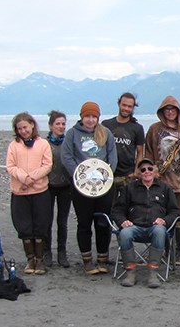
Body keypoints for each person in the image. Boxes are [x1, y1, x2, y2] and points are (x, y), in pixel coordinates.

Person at [61, 101, 118, 275]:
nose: (90, 120)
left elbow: (112, 157)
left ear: (98, 117)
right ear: (81, 117)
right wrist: (80, 176)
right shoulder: (72, 134)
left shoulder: (105, 133)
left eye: (94, 116)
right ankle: (87, 261)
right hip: (81, 188)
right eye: (87, 116)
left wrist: (105, 177)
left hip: (103, 186)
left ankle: (102, 258)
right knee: (84, 223)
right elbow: (66, 157)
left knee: (103, 222)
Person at [145, 95, 180, 265]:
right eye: (167, 109)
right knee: (162, 216)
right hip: (161, 180)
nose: (170, 112)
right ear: (162, 112)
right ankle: (165, 251)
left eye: (173, 109)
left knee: (179, 217)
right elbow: (148, 153)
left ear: (178, 111)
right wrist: (150, 170)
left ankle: (179, 253)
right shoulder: (154, 129)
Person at [111, 158, 180, 288]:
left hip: (155, 228)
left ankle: (153, 272)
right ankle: (130, 271)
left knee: (160, 231)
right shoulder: (129, 188)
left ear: (155, 170)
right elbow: (117, 210)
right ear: (139, 173)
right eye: (143, 170)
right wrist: (122, 221)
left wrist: (165, 220)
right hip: (134, 226)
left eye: (150, 168)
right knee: (124, 233)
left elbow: (175, 211)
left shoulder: (165, 189)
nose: (147, 171)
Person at [6, 112, 52, 275]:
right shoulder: (14, 145)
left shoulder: (43, 144)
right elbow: (10, 166)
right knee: (24, 227)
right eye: (19, 129)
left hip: (40, 190)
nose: (23, 131)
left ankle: (40, 261)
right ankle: (30, 260)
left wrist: (32, 178)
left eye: (25, 127)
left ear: (32, 125)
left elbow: (47, 165)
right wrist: (24, 178)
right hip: (20, 192)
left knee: (40, 225)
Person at [102, 92, 145, 202]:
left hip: (128, 175)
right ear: (119, 104)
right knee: (107, 207)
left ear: (133, 108)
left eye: (129, 106)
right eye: (124, 105)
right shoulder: (106, 124)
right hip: (108, 173)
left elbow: (140, 152)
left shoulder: (137, 128)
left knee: (126, 208)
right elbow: (100, 147)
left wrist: (137, 171)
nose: (126, 108)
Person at [44, 110, 72, 268]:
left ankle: (62, 252)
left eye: (63, 124)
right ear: (50, 125)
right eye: (58, 124)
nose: (61, 126)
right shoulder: (44, 144)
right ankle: (47, 252)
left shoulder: (68, 142)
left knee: (63, 221)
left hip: (65, 187)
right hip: (47, 187)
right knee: (47, 221)